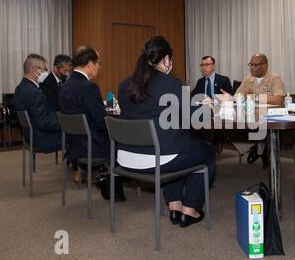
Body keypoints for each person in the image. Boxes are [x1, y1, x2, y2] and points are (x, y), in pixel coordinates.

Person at [117, 36, 215, 228]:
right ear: (166, 59)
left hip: (126, 157)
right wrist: (208, 107)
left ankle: (175, 206)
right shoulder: (172, 83)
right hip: (158, 157)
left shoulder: (124, 85)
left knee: (174, 145)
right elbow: (196, 118)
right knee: (206, 153)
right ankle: (189, 211)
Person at [58, 46, 125, 200]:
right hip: (92, 145)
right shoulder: (88, 87)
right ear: (89, 64)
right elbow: (102, 122)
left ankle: (109, 180)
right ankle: (111, 182)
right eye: (98, 63)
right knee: (127, 141)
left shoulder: (66, 86)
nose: (99, 67)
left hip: (75, 144)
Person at [218, 53, 285, 165]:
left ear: (265, 66)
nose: (252, 68)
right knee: (226, 126)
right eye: (250, 65)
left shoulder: (274, 78)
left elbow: (278, 99)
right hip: (249, 115)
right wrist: (229, 97)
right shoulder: (248, 79)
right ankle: (258, 147)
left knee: (259, 129)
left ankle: (262, 147)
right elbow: (238, 96)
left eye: (255, 65)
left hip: (267, 117)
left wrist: (254, 97)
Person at [14, 54, 61, 153]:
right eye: (44, 70)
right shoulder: (33, 92)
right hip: (42, 139)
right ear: (34, 69)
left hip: (30, 136)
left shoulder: (20, 88)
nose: (46, 73)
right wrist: (63, 125)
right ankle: (90, 166)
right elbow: (43, 122)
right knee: (79, 135)